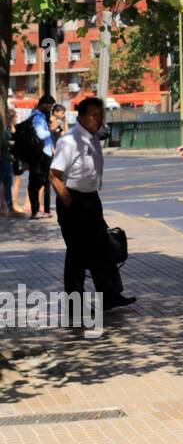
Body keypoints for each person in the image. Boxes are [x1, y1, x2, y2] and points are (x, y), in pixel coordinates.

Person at [49, 97, 135, 311]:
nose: (98, 120)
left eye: (100, 115)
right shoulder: (69, 141)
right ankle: (74, 306)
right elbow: (54, 175)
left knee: (101, 249)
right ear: (81, 116)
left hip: (91, 201)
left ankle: (109, 296)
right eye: (93, 115)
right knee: (77, 253)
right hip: (73, 201)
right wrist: (69, 201)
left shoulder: (93, 138)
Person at [26, 94, 56, 219]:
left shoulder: (40, 116)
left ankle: (37, 210)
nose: (50, 108)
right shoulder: (37, 117)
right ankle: (35, 210)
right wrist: (51, 130)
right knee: (36, 182)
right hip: (40, 154)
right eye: (50, 106)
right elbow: (41, 134)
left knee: (41, 181)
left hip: (45, 153)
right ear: (44, 104)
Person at [1, 108, 19, 217]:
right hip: (4, 158)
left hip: (7, 158)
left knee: (8, 183)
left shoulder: (5, 128)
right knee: (6, 183)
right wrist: (11, 143)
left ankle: (8, 205)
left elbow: (14, 133)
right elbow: (4, 142)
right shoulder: (3, 129)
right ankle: (7, 205)